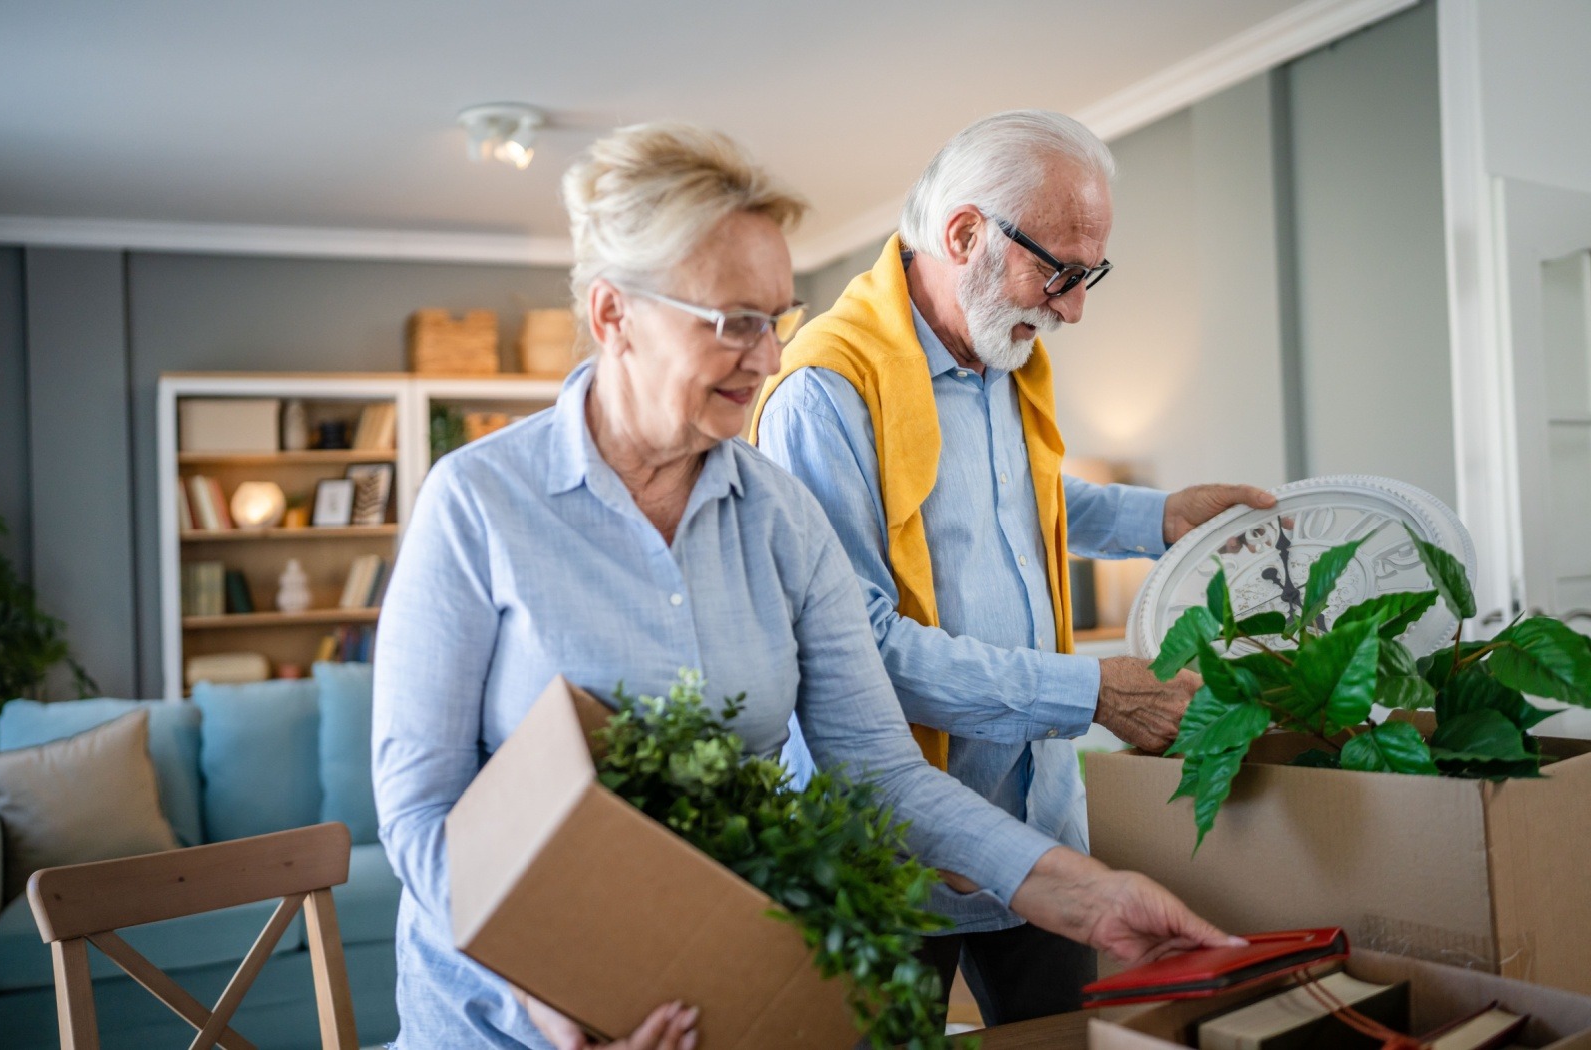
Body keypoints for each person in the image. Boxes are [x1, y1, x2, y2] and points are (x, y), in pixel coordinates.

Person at [372, 121, 1239, 1050]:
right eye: (734, 322)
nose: (771, 356)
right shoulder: (478, 502)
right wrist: (555, 989)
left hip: (718, 988)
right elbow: (424, 810)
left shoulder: (780, 519)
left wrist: (1087, 891)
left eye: (778, 318)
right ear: (613, 312)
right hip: (501, 1021)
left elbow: (883, 771)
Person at [753, 109, 1275, 1025]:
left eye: (1091, 274)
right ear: (964, 235)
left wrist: (1158, 516)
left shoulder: (1002, 354)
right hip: (890, 841)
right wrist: (1095, 693)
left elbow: (1015, 508)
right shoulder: (824, 392)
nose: (1074, 308)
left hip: (1034, 826)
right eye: (1061, 273)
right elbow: (863, 651)